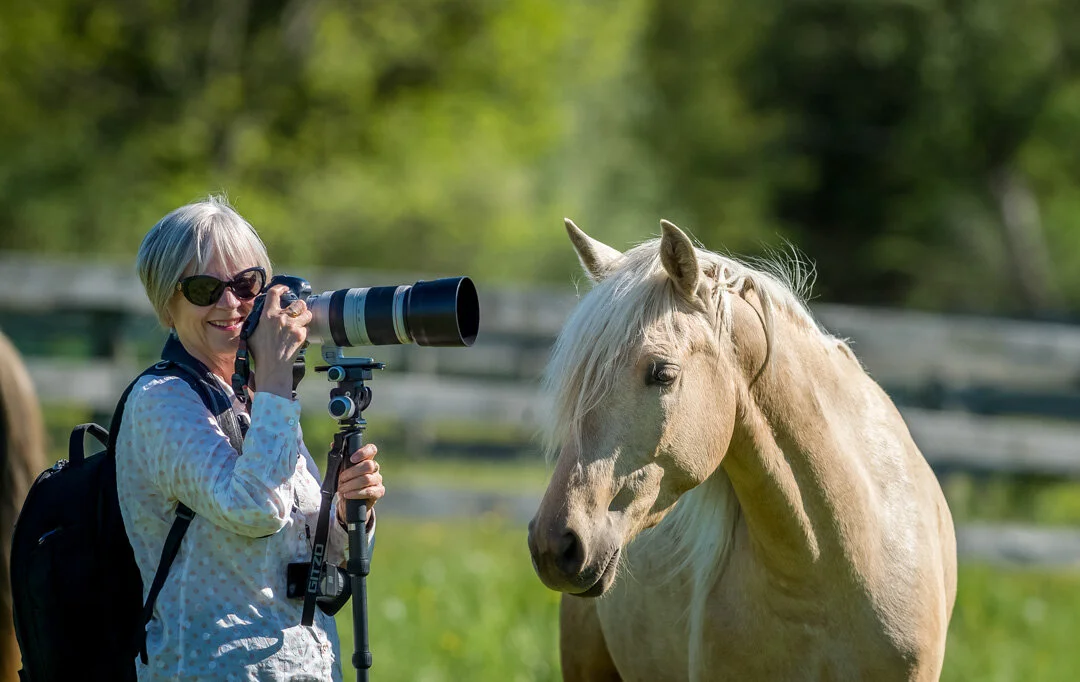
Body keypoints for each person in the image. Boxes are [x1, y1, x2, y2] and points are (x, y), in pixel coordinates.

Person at [116, 196, 385, 681]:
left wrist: (348, 512)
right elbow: (256, 509)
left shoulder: (255, 398)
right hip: (211, 667)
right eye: (204, 288)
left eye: (245, 285)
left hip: (307, 665)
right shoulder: (161, 400)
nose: (231, 304)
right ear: (167, 302)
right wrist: (278, 381)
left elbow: (308, 549)